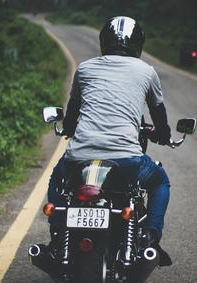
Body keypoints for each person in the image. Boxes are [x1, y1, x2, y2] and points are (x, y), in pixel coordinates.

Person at [48, 16, 172, 265]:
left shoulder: (84, 69)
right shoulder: (146, 72)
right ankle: (150, 237)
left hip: (78, 158)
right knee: (160, 182)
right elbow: (158, 112)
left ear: (104, 41)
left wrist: (68, 128)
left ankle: (58, 233)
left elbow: (71, 117)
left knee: (57, 178)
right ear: (138, 44)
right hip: (126, 159)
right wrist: (164, 136)